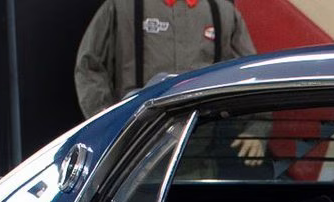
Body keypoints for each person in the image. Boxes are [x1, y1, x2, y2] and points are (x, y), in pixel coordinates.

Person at [75, 0, 259, 118]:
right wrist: (105, 118)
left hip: (203, 144)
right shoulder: (123, 6)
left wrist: (253, 130)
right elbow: (89, 66)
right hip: (136, 147)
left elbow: (251, 74)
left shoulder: (223, 11)